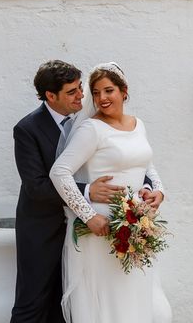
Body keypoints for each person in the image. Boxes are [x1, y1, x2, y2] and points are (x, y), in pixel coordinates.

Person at [11, 60, 159, 323]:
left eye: (81, 88)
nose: (83, 95)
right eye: (72, 91)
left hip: (95, 227)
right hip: (43, 229)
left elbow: (134, 162)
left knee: (68, 305)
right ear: (50, 96)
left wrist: (151, 189)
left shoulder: (92, 122)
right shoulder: (28, 129)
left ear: (123, 91)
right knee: (33, 303)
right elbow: (37, 186)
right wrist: (89, 193)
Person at [49, 62, 169, 323]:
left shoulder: (139, 125)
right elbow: (59, 172)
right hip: (102, 229)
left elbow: (147, 166)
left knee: (134, 293)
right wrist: (88, 215)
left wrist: (157, 192)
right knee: (108, 299)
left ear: (124, 91)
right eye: (95, 92)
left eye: (108, 90)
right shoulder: (91, 129)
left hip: (136, 226)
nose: (101, 98)